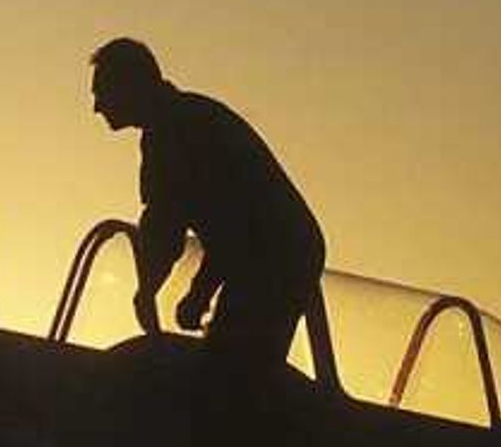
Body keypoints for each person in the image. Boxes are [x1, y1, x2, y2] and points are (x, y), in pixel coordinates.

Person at [90, 37, 328, 374]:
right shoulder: (185, 119)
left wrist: (148, 292)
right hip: (274, 253)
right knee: (231, 365)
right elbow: (228, 226)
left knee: (229, 372)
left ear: (130, 85)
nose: (97, 106)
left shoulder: (174, 132)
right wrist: (197, 292)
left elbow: (169, 228)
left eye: (102, 90)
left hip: (278, 258)